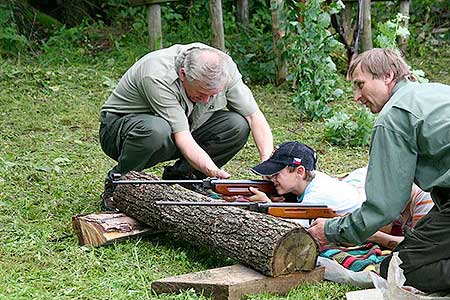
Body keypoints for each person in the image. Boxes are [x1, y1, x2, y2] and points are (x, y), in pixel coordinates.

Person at [308, 48, 450, 293]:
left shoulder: (393, 116)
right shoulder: (434, 90)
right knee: (400, 257)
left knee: (402, 270)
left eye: (360, 85)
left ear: (387, 75)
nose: (356, 96)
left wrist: (330, 231)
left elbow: (385, 206)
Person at [99, 43, 273, 209]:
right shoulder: (156, 75)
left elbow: (253, 116)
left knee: (237, 125)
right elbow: (182, 137)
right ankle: (119, 182)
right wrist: (213, 170)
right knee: (156, 130)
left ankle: (186, 180)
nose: (207, 100)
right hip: (122, 132)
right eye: (201, 92)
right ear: (183, 74)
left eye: (213, 95)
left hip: (181, 130)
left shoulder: (223, 68)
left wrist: (268, 165)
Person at [247, 141, 366, 216]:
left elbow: (293, 229)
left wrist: (267, 205)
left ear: (300, 171)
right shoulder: (314, 180)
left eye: (277, 174)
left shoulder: (316, 197)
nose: (272, 179)